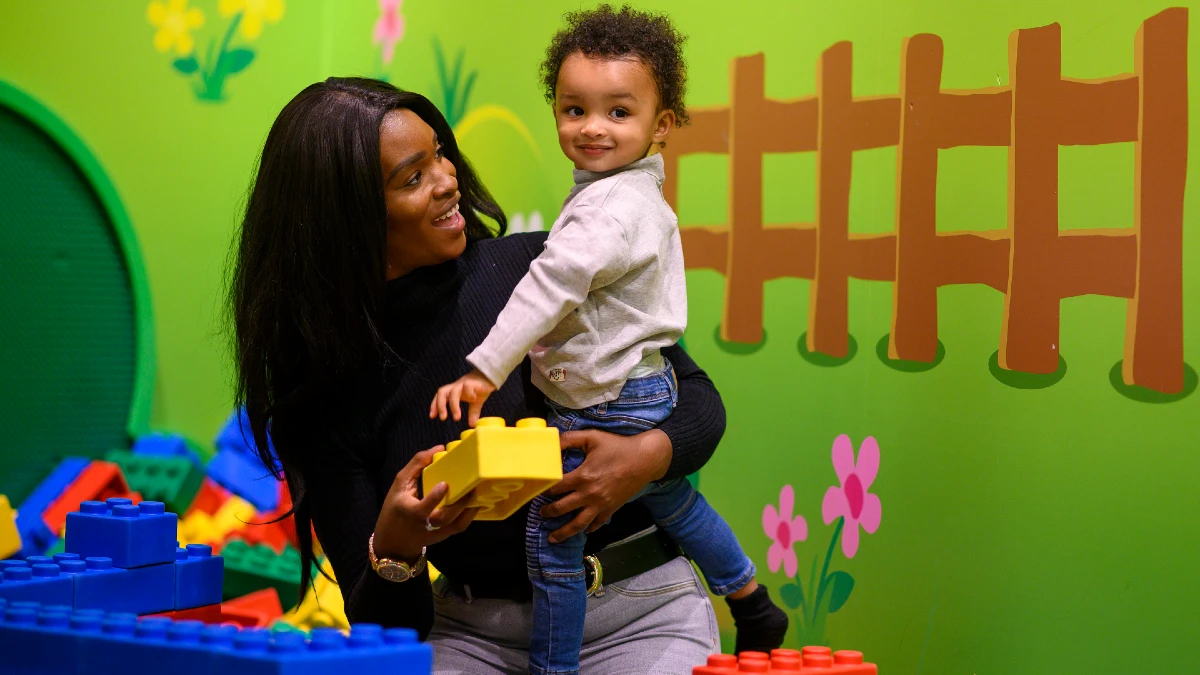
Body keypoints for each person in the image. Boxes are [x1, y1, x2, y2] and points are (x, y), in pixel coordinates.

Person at [227, 75, 731, 674]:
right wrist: (396, 546)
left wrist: (644, 457)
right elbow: (390, 626)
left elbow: (697, 398)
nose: (448, 180)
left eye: (440, 153)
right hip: (472, 635)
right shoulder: (323, 398)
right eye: (413, 178)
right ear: (347, 219)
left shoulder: (539, 270)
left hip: (638, 613)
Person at [430, 6, 787, 674]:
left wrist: (484, 368)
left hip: (604, 403)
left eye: (618, 113)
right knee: (673, 496)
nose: (592, 128)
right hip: (645, 385)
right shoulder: (631, 194)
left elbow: (548, 287)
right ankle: (751, 596)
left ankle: (554, 667)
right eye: (574, 109)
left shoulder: (609, 209)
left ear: (662, 127)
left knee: (553, 532)